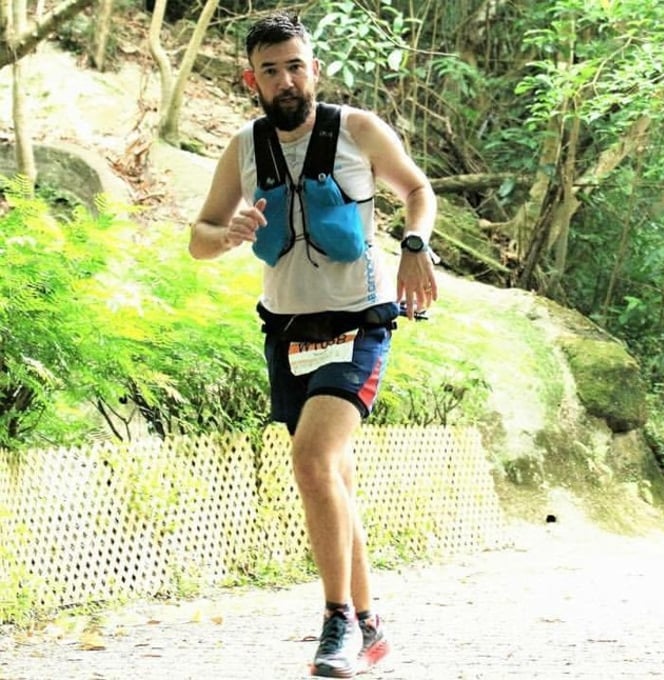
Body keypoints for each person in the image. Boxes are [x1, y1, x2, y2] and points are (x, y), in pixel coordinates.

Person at [188, 13, 438, 678]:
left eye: (295, 66)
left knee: (312, 458)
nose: (286, 80)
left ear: (314, 70)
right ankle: (371, 627)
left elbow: (416, 188)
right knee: (332, 476)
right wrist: (227, 234)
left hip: (358, 320)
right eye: (270, 71)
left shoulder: (357, 129)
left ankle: (337, 622)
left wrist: (415, 243)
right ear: (252, 81)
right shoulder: (244, 147)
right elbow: (199, 238)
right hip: (288, 328)